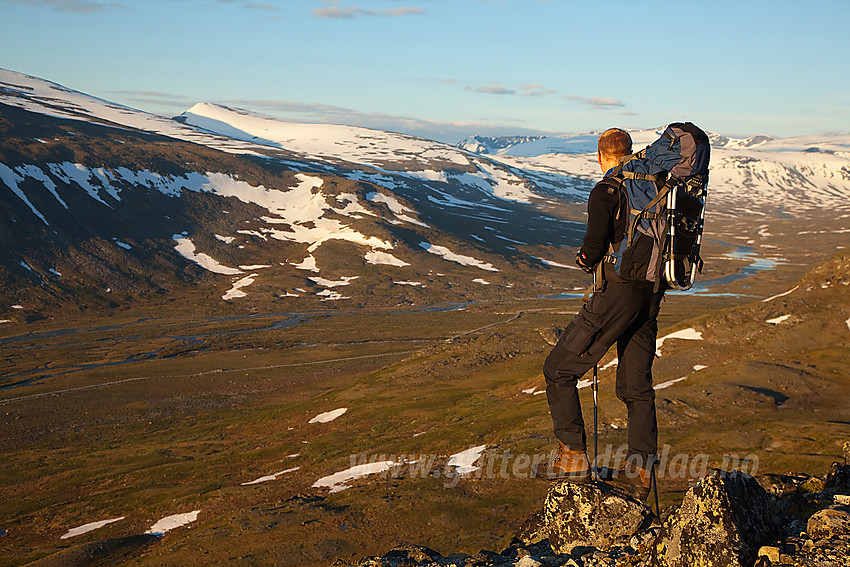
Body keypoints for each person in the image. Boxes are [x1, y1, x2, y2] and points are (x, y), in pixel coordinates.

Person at [531, 128, 664, 501]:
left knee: (558, 369)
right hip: (651, 293)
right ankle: (641, 468)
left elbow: (592, 248)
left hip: (619, 291)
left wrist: (584, 259)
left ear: (601, 156)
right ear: (632, 152)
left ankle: (572, 457)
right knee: (636, 386)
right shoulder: (656, 185)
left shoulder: (607, 189)